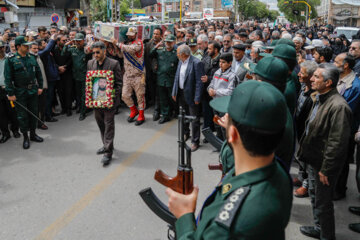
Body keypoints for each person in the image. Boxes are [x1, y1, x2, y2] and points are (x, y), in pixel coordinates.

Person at [166, 80, 292, 239]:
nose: (224, 116)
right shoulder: (278, 172)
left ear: (232, 134)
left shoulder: (227, 225)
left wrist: (184, 216)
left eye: (228, 115)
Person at [298, 64, 352, 240]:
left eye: (317, 77)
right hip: (314, 159)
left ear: (328, 82)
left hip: (324, 165)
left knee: (323, 203)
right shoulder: (319, 98)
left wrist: (327, 169)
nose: (311, 79)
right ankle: (318, 227)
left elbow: (337, 143)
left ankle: (327, 236)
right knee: (315, 197)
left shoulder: (339, 106)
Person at [4, 36, 44, 149]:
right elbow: (8, 78)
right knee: (22, 116)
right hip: (19, 91)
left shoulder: (31, 57)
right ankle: (25, 137)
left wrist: (40, 86)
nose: (27, 47)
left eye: (28, 45)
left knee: (34, 112)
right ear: (18, 47)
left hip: (32, 90)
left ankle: (33, 134)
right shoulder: (11, 60)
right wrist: (10, 93)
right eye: (25, 45)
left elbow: (38, 73)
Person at [87, 41, 122, 166]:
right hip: (96, 100)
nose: (95, 55)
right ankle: (105, 144)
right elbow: (90, 82)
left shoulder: (114, 63)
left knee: (108, 125)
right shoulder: (90, 63)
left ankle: (108, 152)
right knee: (100, 124)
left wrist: (111, 98)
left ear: (104, 51)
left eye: (98, 52)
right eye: (94, 52)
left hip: (109, 102)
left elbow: (119, 84)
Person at [333, 53, 360, 200]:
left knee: (342, 162)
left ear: (346, 65)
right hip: (335, 128)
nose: (333, 63)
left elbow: (345, 110)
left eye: (337, 61)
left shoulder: (355, 86)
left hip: (345, 129)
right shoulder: (338, 79)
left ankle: (339, 190)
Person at [172, 45, 204, 152]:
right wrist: (174, 91)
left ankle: (195, 141)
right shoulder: (181, 61)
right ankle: (186, 133)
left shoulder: (196, 63)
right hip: (181, 93)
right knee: (183, 116)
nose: (176, 55)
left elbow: (199, 82)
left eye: (178, 53)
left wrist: (197, 97)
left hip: (191, 95)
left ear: (184, 54)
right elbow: (177, 77)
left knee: (194, 119)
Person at [113, 27, 146, 126]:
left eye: (131, 34)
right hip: (127, 75)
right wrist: (115, 46)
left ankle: (141, 115)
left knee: (140, 96)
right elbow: (119, 55)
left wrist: (118, 43)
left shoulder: (139, 43)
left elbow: (131, 50)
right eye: (128, 34)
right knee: (124, 95)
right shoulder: (126, 44)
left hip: (138, 75)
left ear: (136, 34)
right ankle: (134, 110)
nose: (129, 36)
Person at [62, 33, 92, 121]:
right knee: (78, 94)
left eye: (80, 41)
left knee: (84, 95)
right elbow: (63, 53)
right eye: (76, 41)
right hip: (76, 75)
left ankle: (83, 112)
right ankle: (82, 107)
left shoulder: (87, 49)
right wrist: (66, 45)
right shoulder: (73, 49)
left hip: (85, 75)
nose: (78, 43)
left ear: (83, 41)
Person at [149, 34, 178, 124]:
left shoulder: (176, 52)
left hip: (171, 79)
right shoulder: (160, 51)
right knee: (163, 98)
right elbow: (151, 54)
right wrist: (156, 46)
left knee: (172, 98)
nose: (168, 44)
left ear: (174, 42)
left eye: (170, 42)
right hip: (161, 78)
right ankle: (165, 115)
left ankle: (175, 112)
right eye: (166, 42)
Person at [0, 40, 20, 143]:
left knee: (12, 111)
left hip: (9, 88)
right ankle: (5, 133)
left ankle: (15, 130)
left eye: (1, 48)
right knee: (1, 113)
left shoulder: (10, 59)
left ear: (3, 48)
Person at [29, 42, 48, 130]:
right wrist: (38, 87)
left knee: (42, 106)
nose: (36, 50)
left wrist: (44, 85)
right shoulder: (30, 59)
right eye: (34, 48)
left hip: (42, 86)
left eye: (37, 48)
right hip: (36, 88)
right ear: (29, 49)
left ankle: (41, 122)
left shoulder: (38, 57)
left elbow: (42, 73)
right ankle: (38, 123)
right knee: (36, 107)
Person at [144, 27, 162, 121]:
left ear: (160, 35)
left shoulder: (163, 44)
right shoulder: (148, 45)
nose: (155, 36)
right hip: (150, 72)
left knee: (160, 92)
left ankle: (158, 110)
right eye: (154, 34)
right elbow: (147, 57)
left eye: (157, 34)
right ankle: (154, 104)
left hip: (161, 72)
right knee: (152, 89)